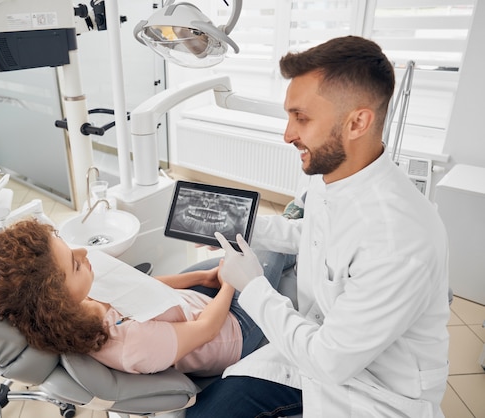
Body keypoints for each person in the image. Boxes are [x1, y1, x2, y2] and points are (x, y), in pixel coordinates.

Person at [186, 35, 450, 417]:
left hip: (373, 391)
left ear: (358, 122)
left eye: (302, 117)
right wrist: (242, 224)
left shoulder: (399, 238)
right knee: (204, 410)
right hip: (313, 352)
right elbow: (313, 237)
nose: (288, 134)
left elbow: (330, 361)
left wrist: (254, 286)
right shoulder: (334, 179)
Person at [0, 218, 295, 377]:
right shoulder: (130, 345)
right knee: (262, 245)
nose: (82, 252)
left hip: (195, 306)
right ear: (57, 302)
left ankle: (288, 254)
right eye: (75, 264)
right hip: (235, 332)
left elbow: (143, 288)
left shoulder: (82, 302)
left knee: (235, 249)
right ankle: (299, 230)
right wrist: (231, 284)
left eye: (68, 245)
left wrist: (202, 277)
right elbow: (207, 330)